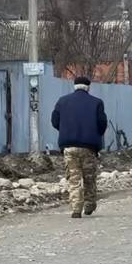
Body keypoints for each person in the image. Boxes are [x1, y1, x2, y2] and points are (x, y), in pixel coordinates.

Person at [51, 76, 108, 219]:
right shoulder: (96, 103)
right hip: (89, 147)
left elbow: (54, 121)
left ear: (74, 86)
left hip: (69, 146)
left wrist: (65, 131)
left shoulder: (62, 101)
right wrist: (96, 135)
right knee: (89, 176)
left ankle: (76, 209)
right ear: (88, 87)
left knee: (73, 177)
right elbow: (102, 123)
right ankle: (89, 205)